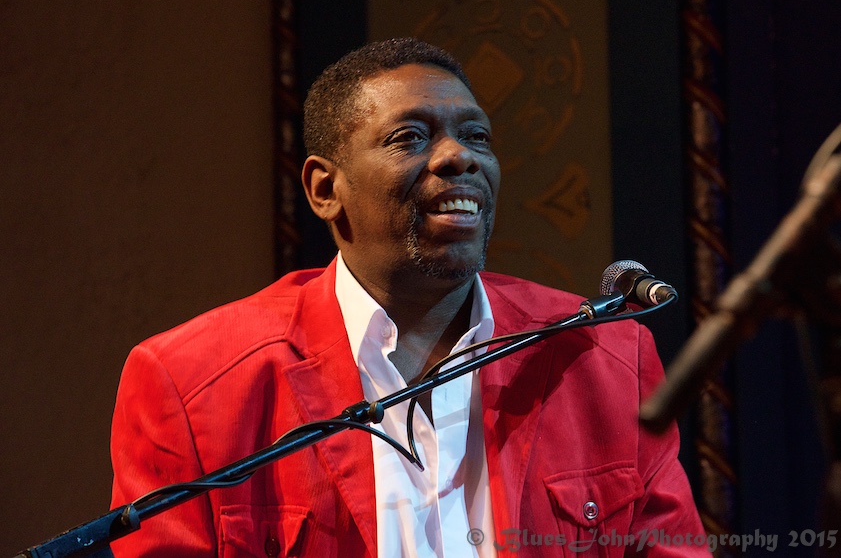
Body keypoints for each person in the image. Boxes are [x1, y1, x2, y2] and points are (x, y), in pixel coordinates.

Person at [110, 38, 706, 557]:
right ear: (325, 188)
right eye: (410, 137)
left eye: (476, 135)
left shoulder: (602, 359)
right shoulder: (193, 384)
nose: (459, 156)